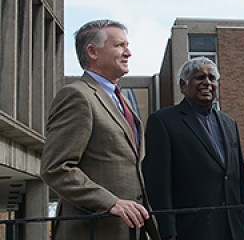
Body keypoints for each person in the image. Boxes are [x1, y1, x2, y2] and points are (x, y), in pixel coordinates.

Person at [40, 19, 159, 240]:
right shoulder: (77, 96)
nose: (128, 52)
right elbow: (56, 168)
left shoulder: (124, 101)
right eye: (119, 45)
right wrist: (110, 202)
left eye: (127, 45)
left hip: (131, 230)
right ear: (93, 52)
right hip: (93, 230)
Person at [142, 57, 244, 240]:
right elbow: (158, 184)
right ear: (183, 85)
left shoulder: (229, 123)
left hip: (234, 230)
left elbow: (240, 179)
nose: (207, 83)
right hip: (191, 230)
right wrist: (167, 233)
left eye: (212, 78)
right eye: (199, 77)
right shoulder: (163, 122)